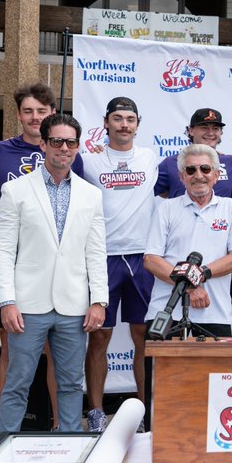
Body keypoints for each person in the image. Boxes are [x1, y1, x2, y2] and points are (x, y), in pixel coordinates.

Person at [0, 114, 108, 435]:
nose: (64, 148)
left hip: (74, 307)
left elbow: (96, 252)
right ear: (43, 144)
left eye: (71, 142)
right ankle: (1, 447)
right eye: (56, 141)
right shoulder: (15, 190)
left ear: (78, 147)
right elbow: (2, 251)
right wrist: (6, 302)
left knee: (71, 385)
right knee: (18, 383)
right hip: (27, 306)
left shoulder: (91, 194)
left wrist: (98, 300)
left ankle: (69, 445)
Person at [0, 82, 78, 428]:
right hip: (15, 267)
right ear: (18, 114)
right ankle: (8, 425)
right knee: (11, 349)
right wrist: (18, 219)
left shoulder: (65, 150)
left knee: (58, 352)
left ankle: (57, 424)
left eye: (41, 111)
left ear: (52, 113)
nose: (34, 117)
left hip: (55, 271)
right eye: (28, 111)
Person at [79, 97, 160, 432]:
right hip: (104, 257)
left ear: (138, 124)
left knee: (143, 336)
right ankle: (96, 411)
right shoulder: (88, 160)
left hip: (143, 257)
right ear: (106, 122)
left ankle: (145, 410)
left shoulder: (151, 159)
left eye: (130, 119)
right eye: (118, 118)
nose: (124, 125)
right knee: (100, 337)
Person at [144, 144, 232, 338]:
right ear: (182, 177)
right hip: (167, 311)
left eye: (205, 169)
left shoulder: (230, 208)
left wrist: (198, 275)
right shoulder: (166, 208)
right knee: (161, 369)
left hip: (214, 314)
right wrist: (191, 287)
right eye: (191, 170)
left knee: (213, 370)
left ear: (216, 175)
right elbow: (151, 260)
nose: (198, 175)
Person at [155, 108, 232, 199]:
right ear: (191, 131)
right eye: (204, 128)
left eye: (215, 128)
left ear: (221, 132)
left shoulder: (231, 162)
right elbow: (155, 192)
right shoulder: (171, 163)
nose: (210, 133)